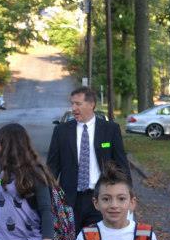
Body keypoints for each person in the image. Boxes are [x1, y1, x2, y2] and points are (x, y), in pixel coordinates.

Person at [47, 86, 129, 229]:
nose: (73, 108)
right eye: (72, 103)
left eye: (78, 104)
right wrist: (46, 196)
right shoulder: (61, 131)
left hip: (101, 197)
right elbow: (52, 167)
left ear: (91, 105)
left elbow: (121, 164)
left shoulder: (110, 129)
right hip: (70, 199)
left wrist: (127, 195)